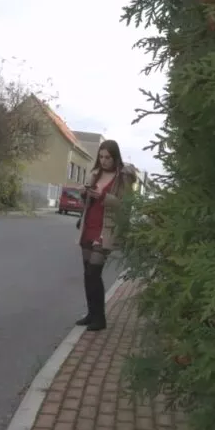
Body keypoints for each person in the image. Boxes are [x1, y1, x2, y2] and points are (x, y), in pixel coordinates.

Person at [74, 140, 135, 331]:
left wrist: (102, 196)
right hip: (89, 225)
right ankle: (91, 314)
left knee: (94, 273)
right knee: (87, 273)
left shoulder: (122, 178)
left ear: (115, 157)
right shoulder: (95, 174)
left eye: (107, 157)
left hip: (105, 229)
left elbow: (125, 204)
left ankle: (100, 319)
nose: (103, 160)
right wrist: (85, 194)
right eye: (101, 157)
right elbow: (88, 201)